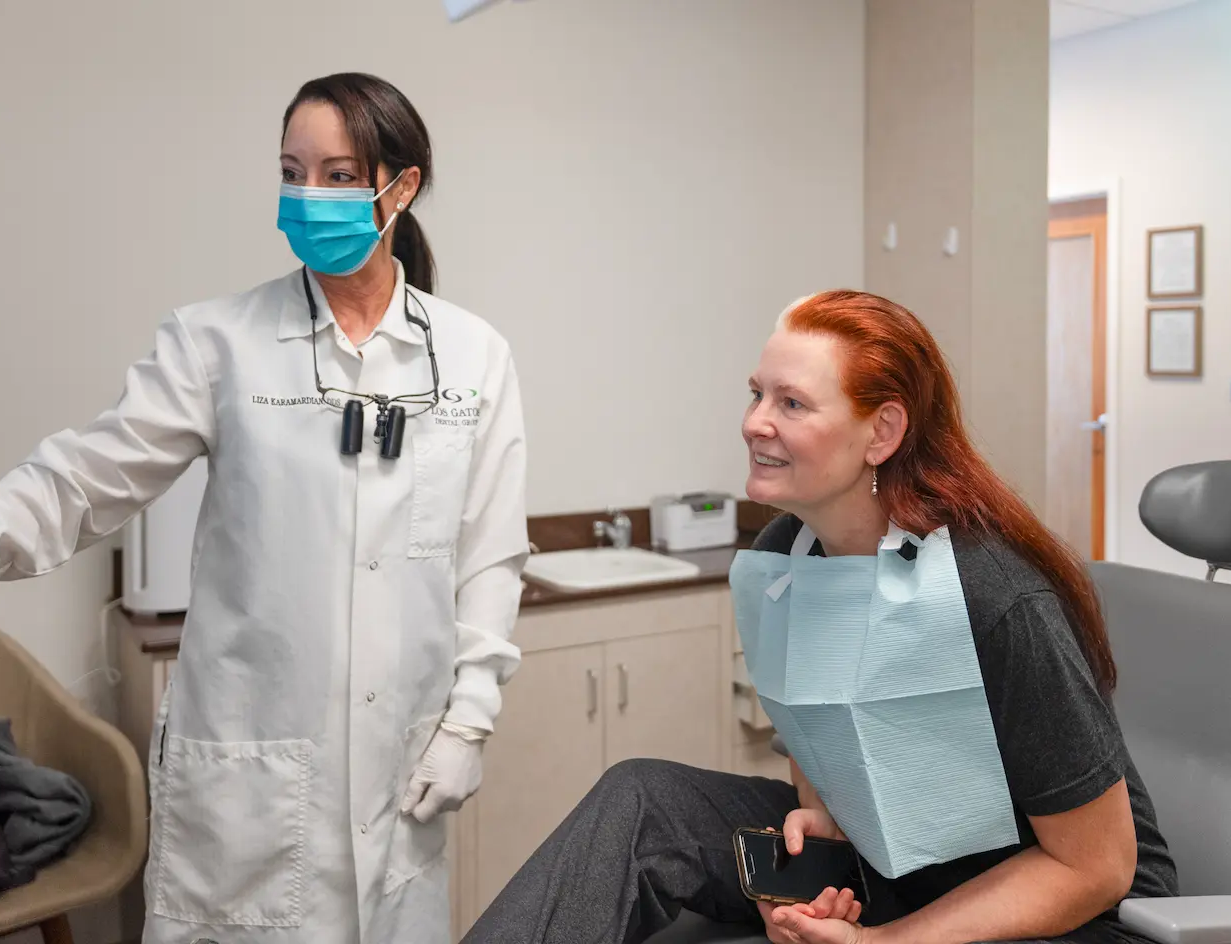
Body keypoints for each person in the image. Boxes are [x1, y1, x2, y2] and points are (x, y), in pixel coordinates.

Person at [0, 72, 529, 944]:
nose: (308, 195)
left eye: (337, 175)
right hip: (250, 789)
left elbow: (488, 553)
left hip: (400, 775)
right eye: (292, 170)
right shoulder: (217, 343)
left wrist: (469, 719)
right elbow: (74, 486)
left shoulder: (473, 356)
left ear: (400, 188)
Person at [460, 290, 1178, 944]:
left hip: (1057, 909)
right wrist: (821, 828)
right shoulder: (783, 561)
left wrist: (885, 943)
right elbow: (817, 729)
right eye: (754, 394)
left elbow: (1097, 869)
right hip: (885, 862)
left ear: (881, 432)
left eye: (791, 404)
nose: (753, 423)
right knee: (643, 796)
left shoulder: (991, 595)